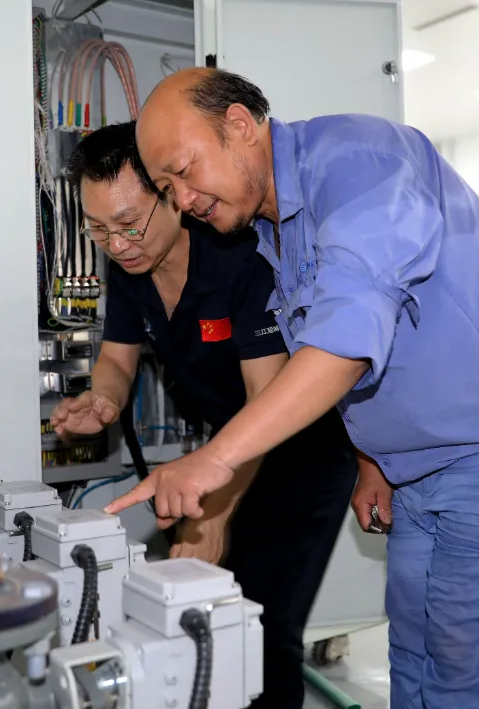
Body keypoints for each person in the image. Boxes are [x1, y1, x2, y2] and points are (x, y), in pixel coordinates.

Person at [106, 68, 479, 709]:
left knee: (473, 684)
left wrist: (215, 460)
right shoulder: (274, 227)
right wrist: (370, 458)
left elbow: (346, 337)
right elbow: (361, 351)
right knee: (414, 663)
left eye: (183, 170)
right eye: (168, 189)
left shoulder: (364, 164)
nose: (183, 200)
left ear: (239, 125)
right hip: (416, 469)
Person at [49, 121, 360, 709]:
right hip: (227, 450)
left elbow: (265, 400)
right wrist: (104, 398)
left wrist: (214, 512)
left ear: (171, 195)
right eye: (99, 229)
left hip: (301, 451)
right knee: (199, 606)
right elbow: (116, 357)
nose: (117, 244)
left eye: (129, 223)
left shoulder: (239, 259)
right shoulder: (131, 268)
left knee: (261, 621)